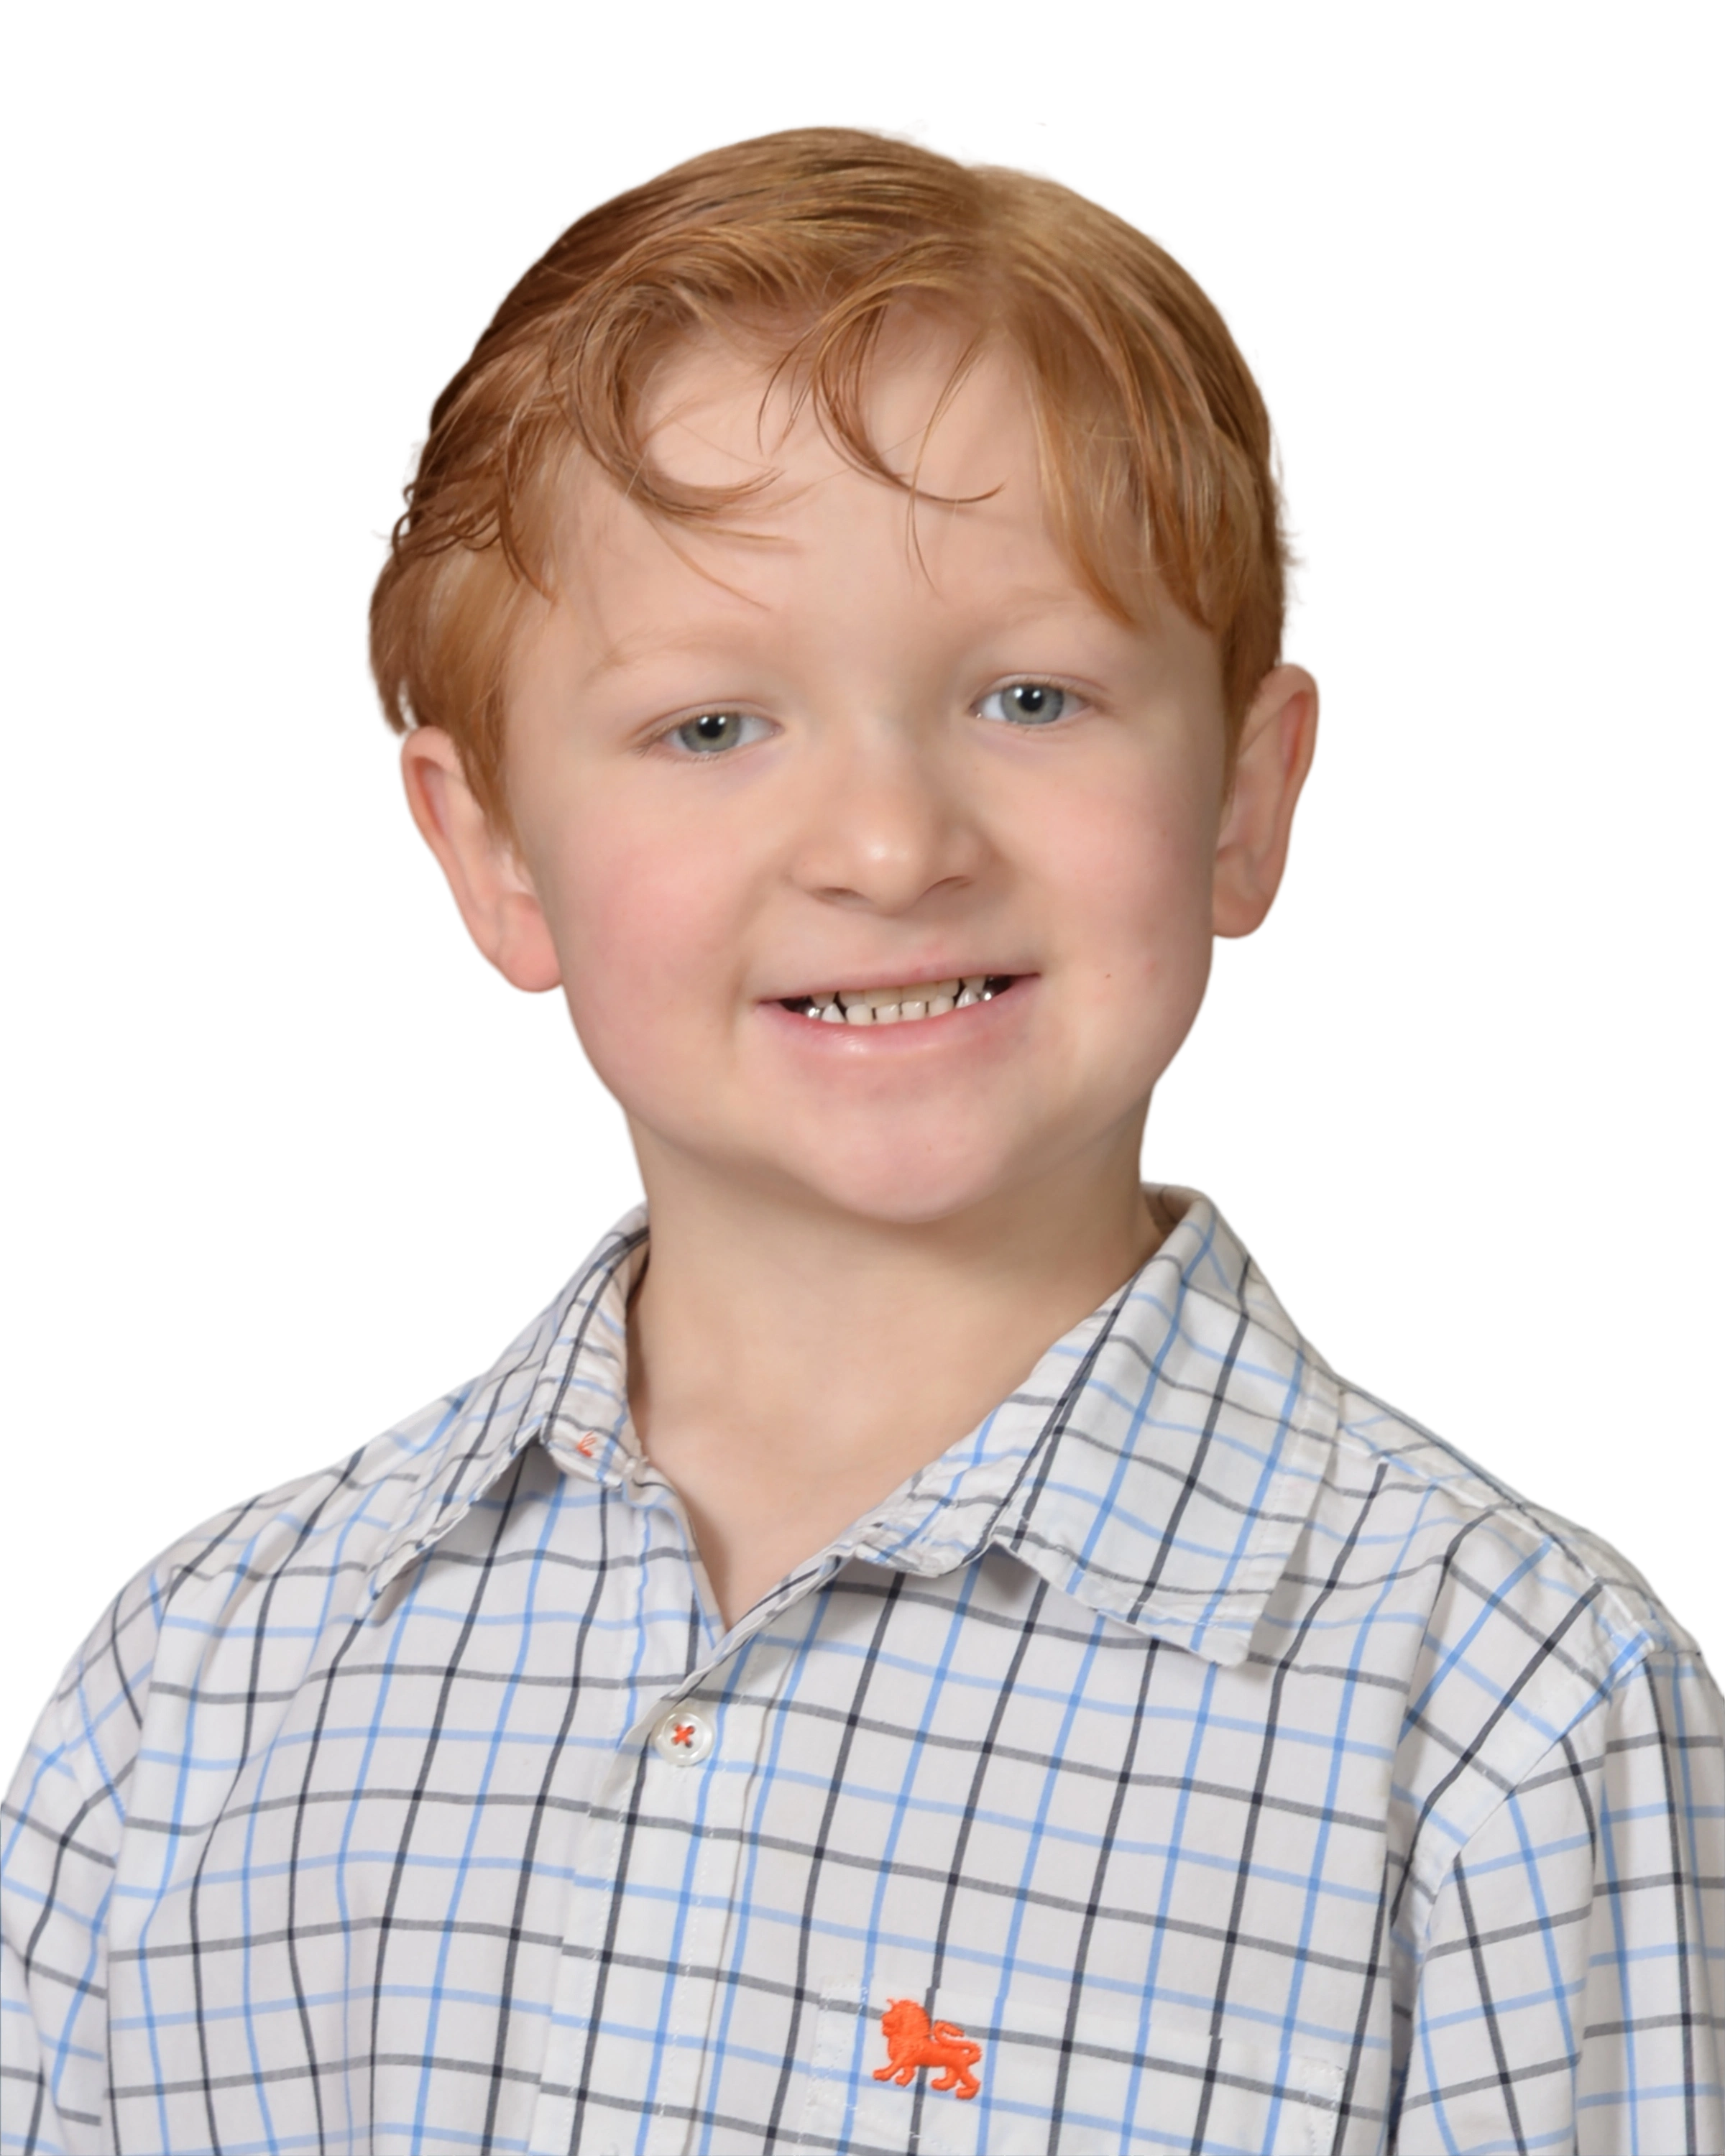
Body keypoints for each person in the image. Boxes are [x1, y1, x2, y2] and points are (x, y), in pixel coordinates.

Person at [4, 120, 1720, 2156]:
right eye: (712, 726)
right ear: (492, 853)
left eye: (1032, 698)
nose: (892, 849)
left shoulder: (1514, 1726)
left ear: (1249, 801)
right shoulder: (198, 1685)